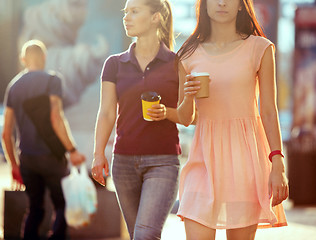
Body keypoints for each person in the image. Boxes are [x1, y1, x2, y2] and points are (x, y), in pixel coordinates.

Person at [176, 0, 289, 239]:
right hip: (203, 160)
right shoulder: (187, 54)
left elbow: (268, 110)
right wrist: (188, 97)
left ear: (240, 5)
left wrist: (277, 164)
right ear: (204, 5)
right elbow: (187, 118)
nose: (222, 2)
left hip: (245, 159)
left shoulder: (260, 48)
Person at [91, 0, 181, 239]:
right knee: (137, 235)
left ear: (155, 17)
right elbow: (107, 112)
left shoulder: (177, 63)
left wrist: (167, 112)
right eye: (125, 12)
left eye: (134, 11)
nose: (126, 17)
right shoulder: (114, 64)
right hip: (123, 163)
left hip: (163, 162)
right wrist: (98, 153)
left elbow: (189, 115)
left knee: (144, 235)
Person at [1, 39, 86, 240]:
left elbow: (6, 133)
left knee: (35, 209)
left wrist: (14, 165)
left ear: (23, 59)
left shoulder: (14, 86)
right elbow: (56, 118)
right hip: (52, 157)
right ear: (44, 58)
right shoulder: (52, 80)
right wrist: (72, 150)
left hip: (27, 159)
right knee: (63, 205)